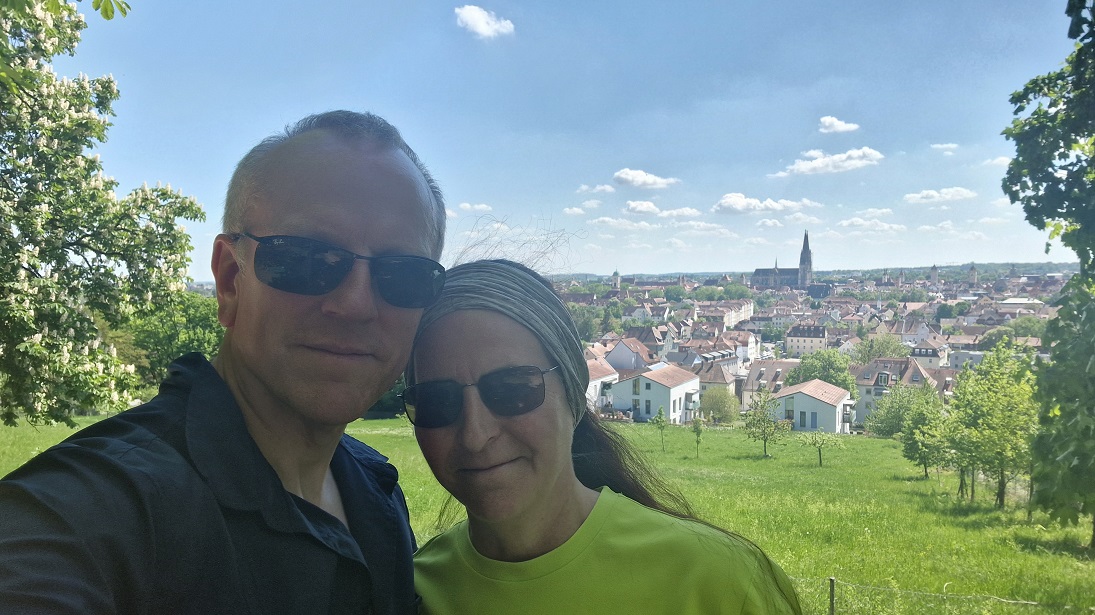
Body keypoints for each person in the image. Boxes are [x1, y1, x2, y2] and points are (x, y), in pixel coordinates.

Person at [0, 110, 447, 614]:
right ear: (231, 280)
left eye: (404, 275)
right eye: (305, 259)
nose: (356, 305)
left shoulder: (376, 491)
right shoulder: (93, 512)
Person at [403, 259, 802, 614]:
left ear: (574, 391)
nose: (475, 435)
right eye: (437, 401)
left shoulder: (722, 584)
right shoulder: (404, 592)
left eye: (512, 390)